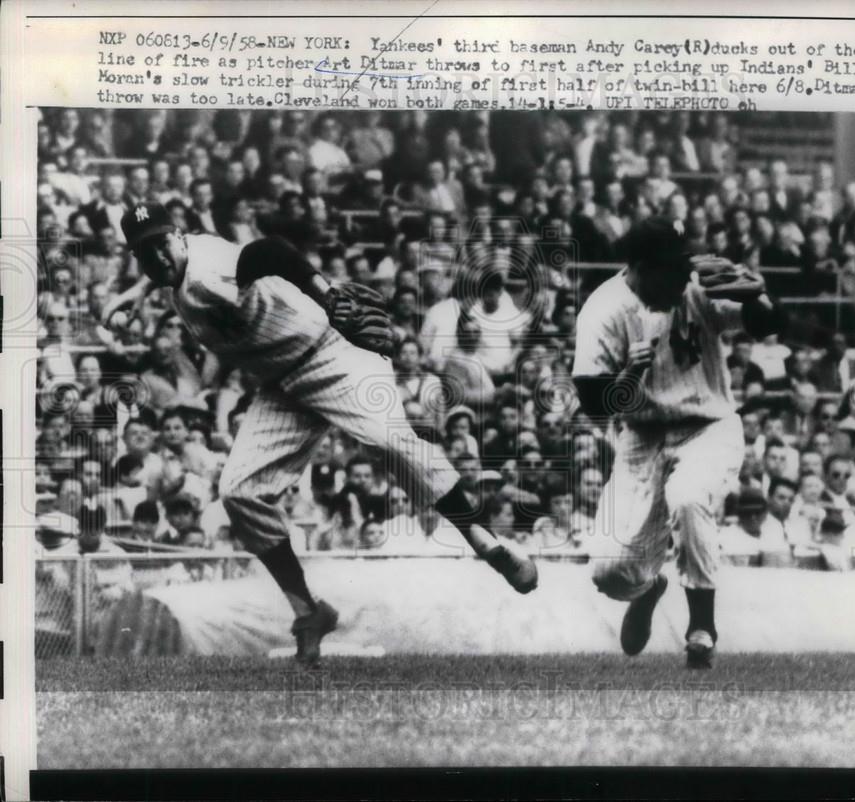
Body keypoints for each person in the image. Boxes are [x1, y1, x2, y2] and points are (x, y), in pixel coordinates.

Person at [106, 202, 538, 667]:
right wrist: (134, 293)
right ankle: (308, 612)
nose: (157, 259)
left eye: (161, 245)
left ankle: (487, 543)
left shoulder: (208, 269)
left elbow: (270, 251)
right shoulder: (179, 262)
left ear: (178, 236)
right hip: (282, 384)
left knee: (388, 441)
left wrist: (327, 293)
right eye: (144, 253)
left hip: (333, 354)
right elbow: (166, 263)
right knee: (238, 492)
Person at [571, 216, 785, 667]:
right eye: (670, 270)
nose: (682, 277)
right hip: (642, 435)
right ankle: (649, 588)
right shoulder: (603, 310)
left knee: (689, 497)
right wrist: (629, 375)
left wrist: (759, 294)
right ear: (641, 268)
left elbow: (767, 325)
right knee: (609, 574)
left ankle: (701, 627)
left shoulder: (696, 286)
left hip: (708, 424)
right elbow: (594, 408)